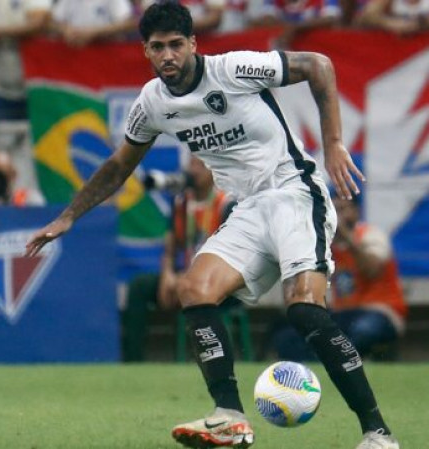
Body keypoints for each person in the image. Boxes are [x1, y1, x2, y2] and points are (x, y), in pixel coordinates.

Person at [26, 3, 398, 448]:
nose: (168, 55)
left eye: (176, 45)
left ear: (193, 44)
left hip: (295, 192)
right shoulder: (152, 102)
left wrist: (334, 143)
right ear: (145, 50)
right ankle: (229, 416)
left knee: (302, 308)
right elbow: (119, 165)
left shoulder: (233, 68)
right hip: (247, 208)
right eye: (158, 47)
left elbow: (319, 65)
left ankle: (378, 432)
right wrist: (68, 216)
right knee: (195, 289)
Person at [123, 157, 236, 362]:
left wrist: (187, 280)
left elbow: (229, 258)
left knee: (196, 290)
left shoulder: (225, 206)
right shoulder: (181, 203)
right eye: (191, 165)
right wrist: (168, 275)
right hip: (183, 276)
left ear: (214, 171)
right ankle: (133, 361)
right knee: (139, 286)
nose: (194, 171)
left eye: (200, 165)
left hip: (219, 282)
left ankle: (213, 360)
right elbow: (169, 249)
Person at [271, 193, 408, 361]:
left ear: (356, 212)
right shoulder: (325, 244)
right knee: (289, 334)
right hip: (342, 314)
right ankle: (315, 369)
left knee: (363, 330)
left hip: (379, 312)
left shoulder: (370, 235)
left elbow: (372, 270)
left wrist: (346, 237)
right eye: (333, 210)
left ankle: (338, 366)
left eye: (342, 210)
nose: (336, 215)